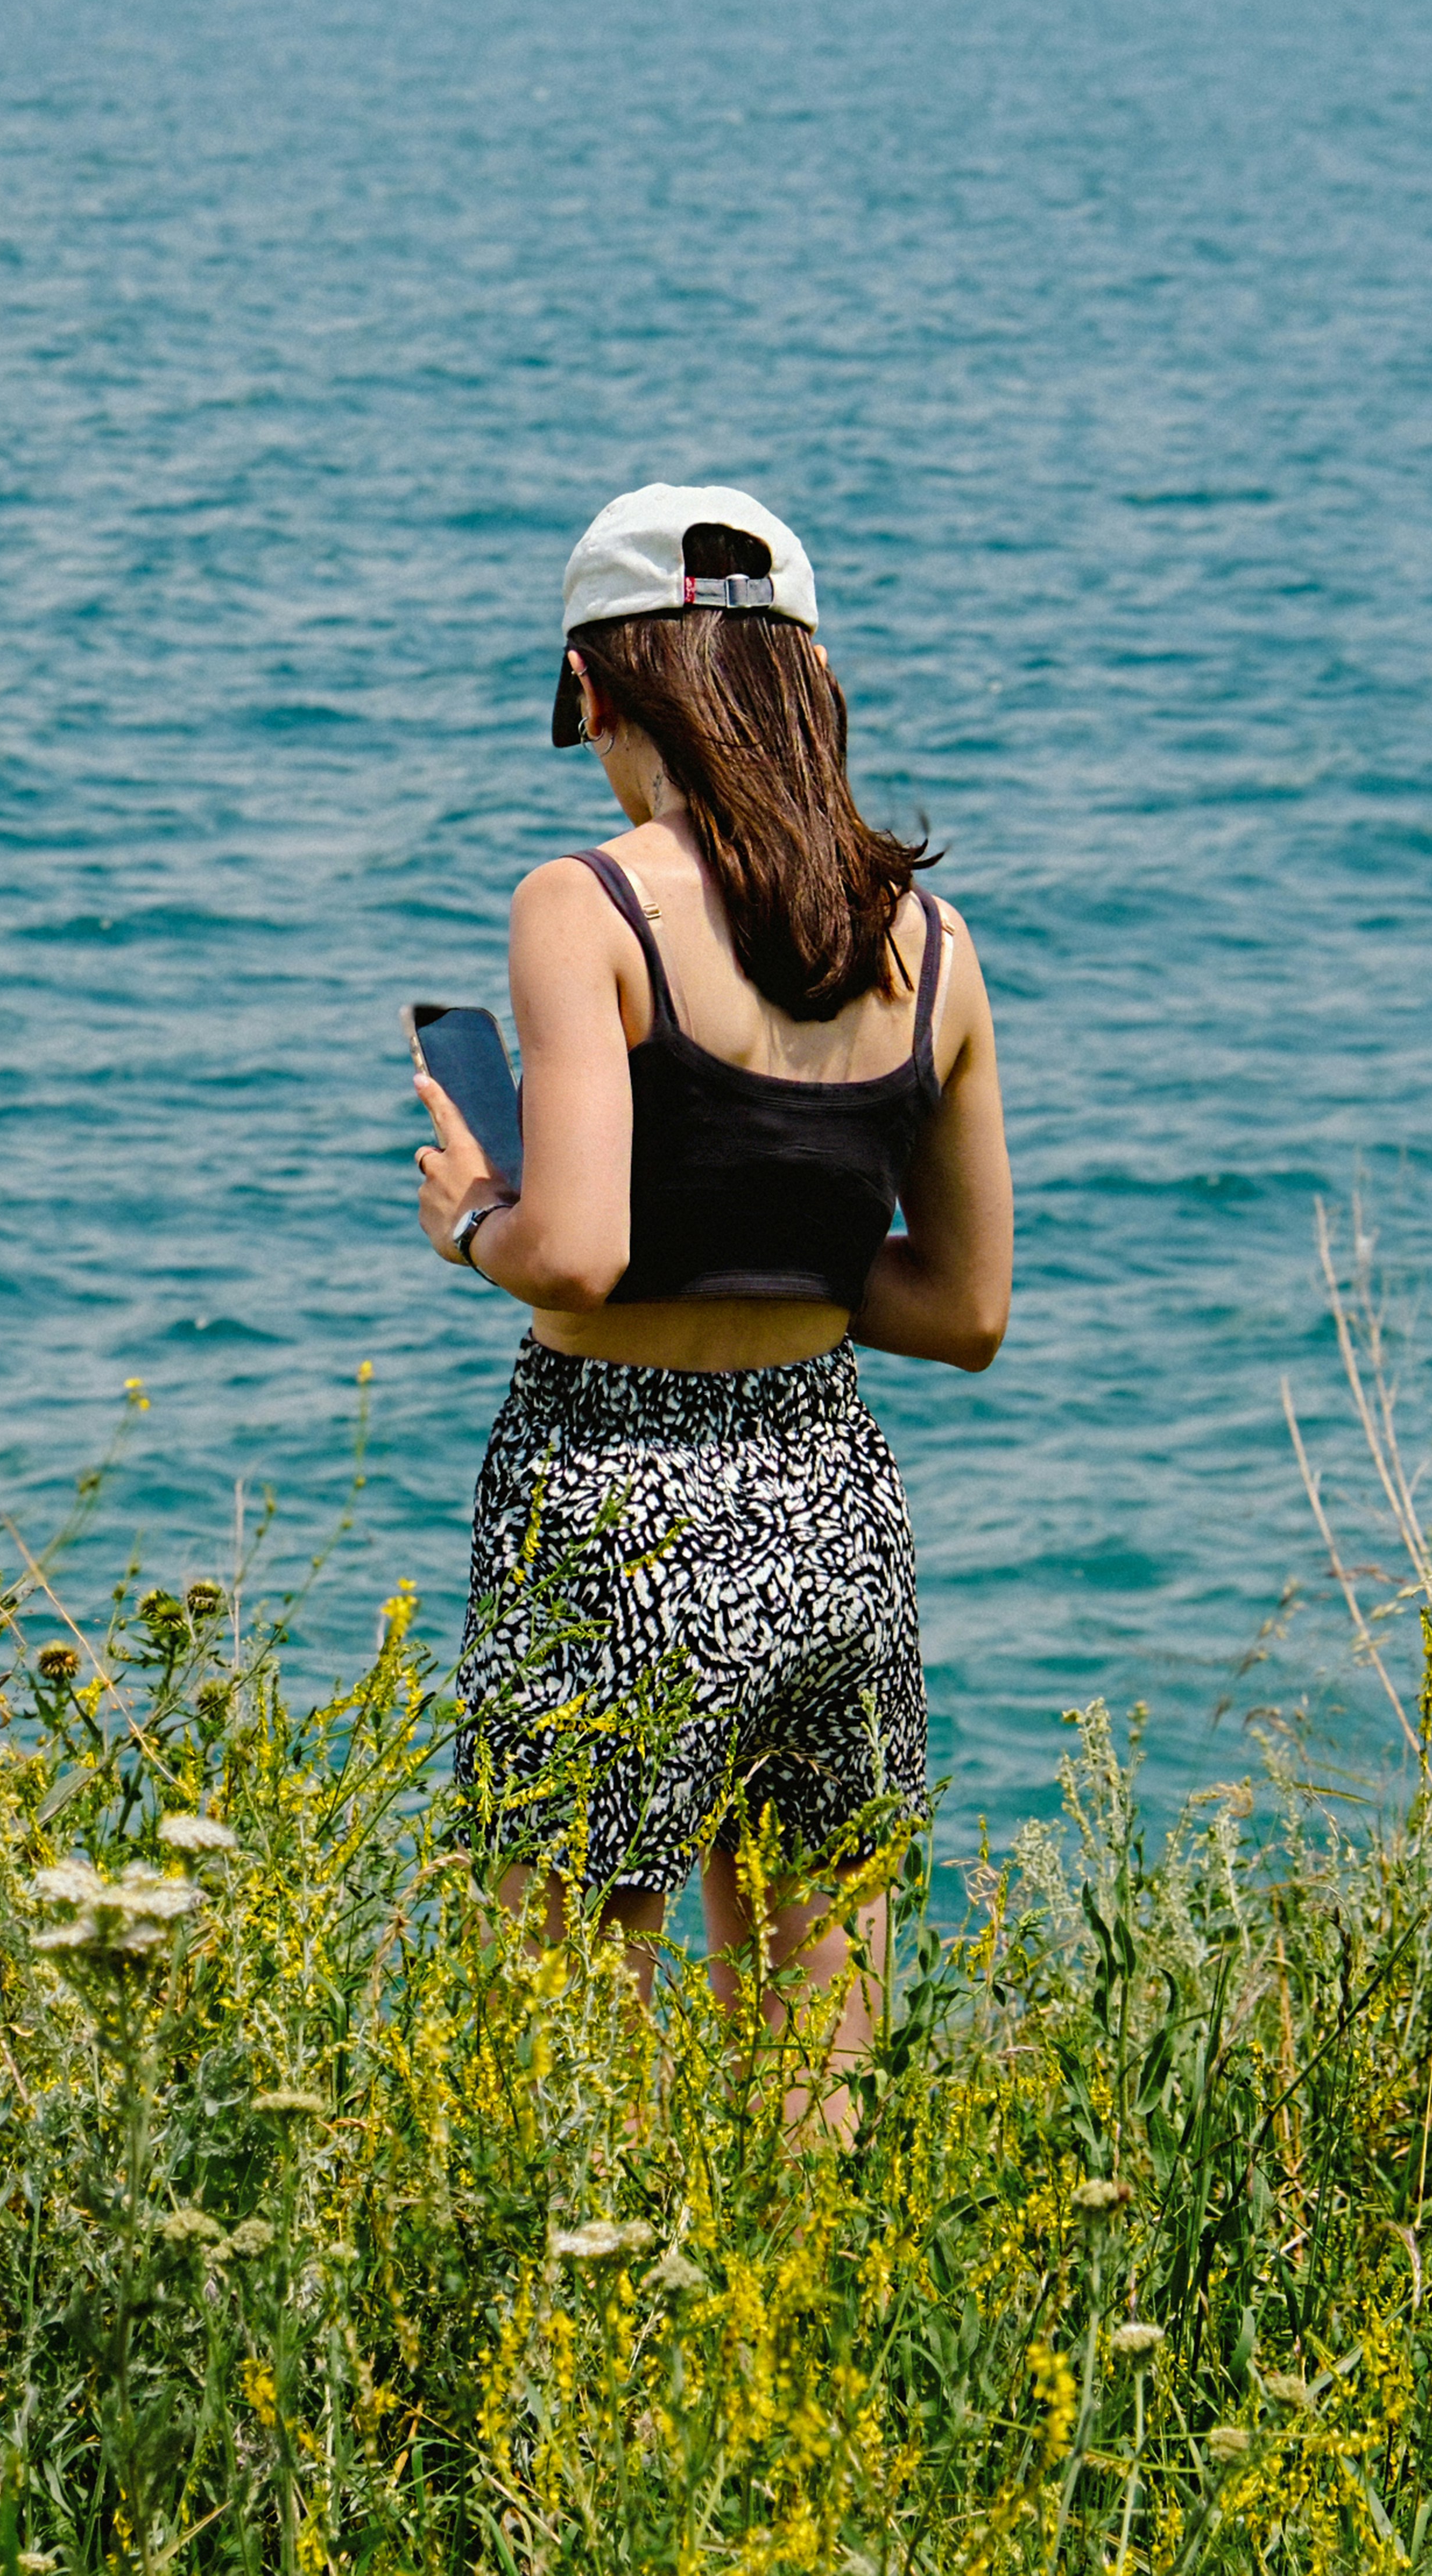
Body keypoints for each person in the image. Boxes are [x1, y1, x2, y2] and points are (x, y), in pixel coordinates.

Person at [408, 482, 1012, 2132]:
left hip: (610, 1499)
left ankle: (584, 2368)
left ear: (601, 692)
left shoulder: (581, 906)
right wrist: (782, 1252)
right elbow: (963, 1307)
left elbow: (581, 1254)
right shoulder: (930, 940)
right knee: (817, 2040)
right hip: (829, 1493)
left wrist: (475, 1218)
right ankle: (797, 2355)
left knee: (562, 2021)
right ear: (804, 680)